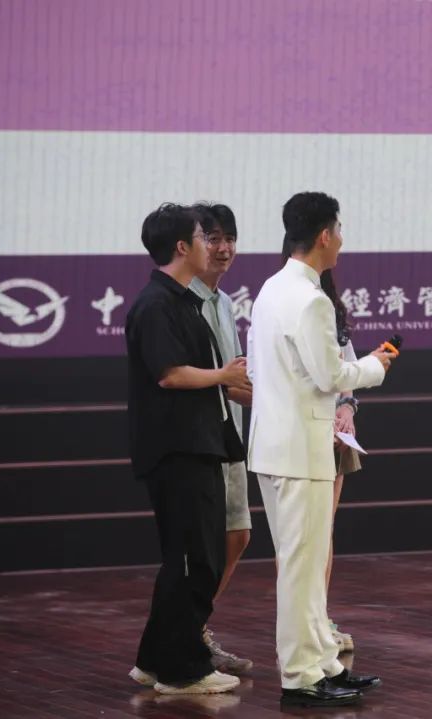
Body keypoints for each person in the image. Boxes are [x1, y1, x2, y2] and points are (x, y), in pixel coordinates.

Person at [247, 192, 392, 708]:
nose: (342, 241)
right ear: (325, 235)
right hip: (299, 450)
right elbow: (330, 375)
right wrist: (374, 366)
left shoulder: (271, 289)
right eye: (340, 230)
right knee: (302, 568)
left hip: (276, 446)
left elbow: (262, 370)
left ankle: (323, 664)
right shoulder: (310, 299)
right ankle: (301, 676)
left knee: (304, 565)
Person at [125, 203, 249, 695]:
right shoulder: (156, 304)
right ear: (182, 247)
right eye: (204, 237)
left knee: (195, 558)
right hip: (177, 449)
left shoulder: (184, 302)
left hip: (201, 444)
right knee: (192, 561)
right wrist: (223, 375)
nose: (214, 247)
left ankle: (154, 661)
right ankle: (183, 671)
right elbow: (170, 374)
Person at [188, 203, 254, 674]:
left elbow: (235, 379)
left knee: (237, 535)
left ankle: (193, 628)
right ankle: (186, 636)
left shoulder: (226, 302)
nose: (224, 248)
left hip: (231, 435)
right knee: (200, 547)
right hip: (198, 440)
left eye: (230, 238)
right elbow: (201, 378)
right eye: (213, 238)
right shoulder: (180, 302)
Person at [319, 268, 363, 654]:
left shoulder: (333, 311)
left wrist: (347, 407)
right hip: (301, 435)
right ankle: (302, 623)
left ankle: (320, 616)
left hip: (336, 435)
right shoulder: (282, 303)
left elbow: (347, 370)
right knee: (300, 534)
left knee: (325, 529)